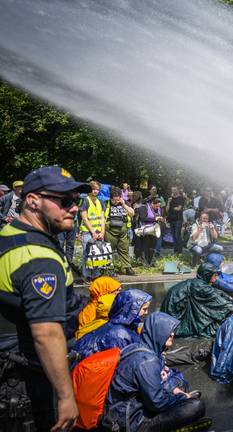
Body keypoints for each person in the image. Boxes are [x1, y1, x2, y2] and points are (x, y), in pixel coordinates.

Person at [0, 166, 91, 431]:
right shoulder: (39, 258)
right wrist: (65, 396)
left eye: (77, 201)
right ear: (32, 201)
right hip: (29, 382)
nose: (74, 208)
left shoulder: (10, 236)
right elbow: (47, 333)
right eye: (64, 201)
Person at [105, 312, 208, 431]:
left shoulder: (141, 348)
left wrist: (175, 390)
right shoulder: (146, 361)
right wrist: (182, 397)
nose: (172, 334)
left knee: (179, 385)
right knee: (196, 406)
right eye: (168, 331)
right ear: (157, 332)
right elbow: (157, 403)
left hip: (133, 407)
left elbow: (161, 381)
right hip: (132, 422)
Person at [73, 288, 152, 362]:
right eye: (144, 309)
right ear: (132, 309)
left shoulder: (118, 325)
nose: (146, 313)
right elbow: (125, 362)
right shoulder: (119, 333)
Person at [160, 263, 233, 338]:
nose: (217, 277)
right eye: (215, 275)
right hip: (175, 322)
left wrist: (226, 296)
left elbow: (215, 292)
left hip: (169, 318)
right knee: (222, 314)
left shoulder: (196, 282)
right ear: (207, 275)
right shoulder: (200, 286)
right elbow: (223, 304)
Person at [104, 186, 136, 275]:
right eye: (114, 200)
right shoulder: (106, 203)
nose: (116, 202)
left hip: (123, 231)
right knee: (109, 250)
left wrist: (123, 204)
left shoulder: (124, 203)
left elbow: (132, 213)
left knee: (124, 250)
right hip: (110, 231)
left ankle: (127, 267)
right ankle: (109, 268)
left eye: (117, 200)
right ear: (110, 198)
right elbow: (102, 217)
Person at [79, 180, 105, 280]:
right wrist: (93, 232)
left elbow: (102, 218)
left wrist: (102, 231)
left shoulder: (101, 202)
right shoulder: (85, 200)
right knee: (87, 253)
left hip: (98, 231)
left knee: (98, 253)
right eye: (93, 189)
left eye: (97, 189)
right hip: (87, 232)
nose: (95, 191)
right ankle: (87, 275)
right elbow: (84, 218)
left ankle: (96, 274)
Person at [135, 198, 164, 266]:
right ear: (152, 204)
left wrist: (161, 220)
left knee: (152, 247)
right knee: (145, 247)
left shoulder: (158, 209)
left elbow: (158, 217)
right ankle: (145, 263)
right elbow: (143, 218)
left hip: (154, 230)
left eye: (159, 206)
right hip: (145, 230)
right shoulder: (144, 207)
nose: (158, 208)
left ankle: (151, 262)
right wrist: (155, 219)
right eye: (156, 206)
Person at [166, 185, 186, 254]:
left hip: (178, 219)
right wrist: (168, 202)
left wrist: (175, 208)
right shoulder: (170, 198)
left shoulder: (181, 198)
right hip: (171, 219)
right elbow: (167, 209)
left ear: (178, 190)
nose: (173, 191)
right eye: (172, 190)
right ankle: (175, 251)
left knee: (177, 235)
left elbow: (179, 208)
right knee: (173, 236)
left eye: (175, 190)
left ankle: (180, 251)